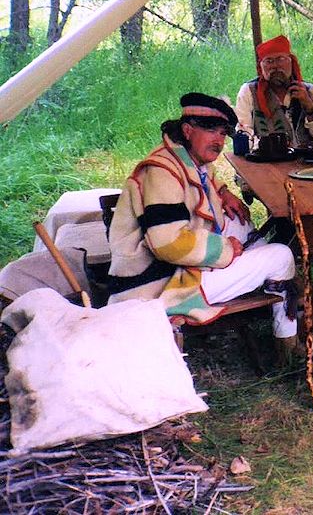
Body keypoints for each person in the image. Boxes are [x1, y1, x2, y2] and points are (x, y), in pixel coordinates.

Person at [107, 93, 301, 363]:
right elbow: (168, 243)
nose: (219, 141)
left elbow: (203, 176)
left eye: (223, 133)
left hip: (177, 267)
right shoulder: (163, 172)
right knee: (281, 254)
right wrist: (224, 250)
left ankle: (270, 282)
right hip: (159, 284)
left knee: (241, 223)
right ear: (187, 130)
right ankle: (289, 346)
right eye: (211, 131)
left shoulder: (181, 157)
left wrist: (223, 193)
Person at [235, 35, 313, 150]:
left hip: (307, 161)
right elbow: (244, 135)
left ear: (291, 62)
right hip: (267, 162)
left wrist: (310, 109)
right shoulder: (249, 92)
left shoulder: (312, 91)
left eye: (280, 59)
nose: (275, 66)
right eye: (269, 61)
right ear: (261, 67)